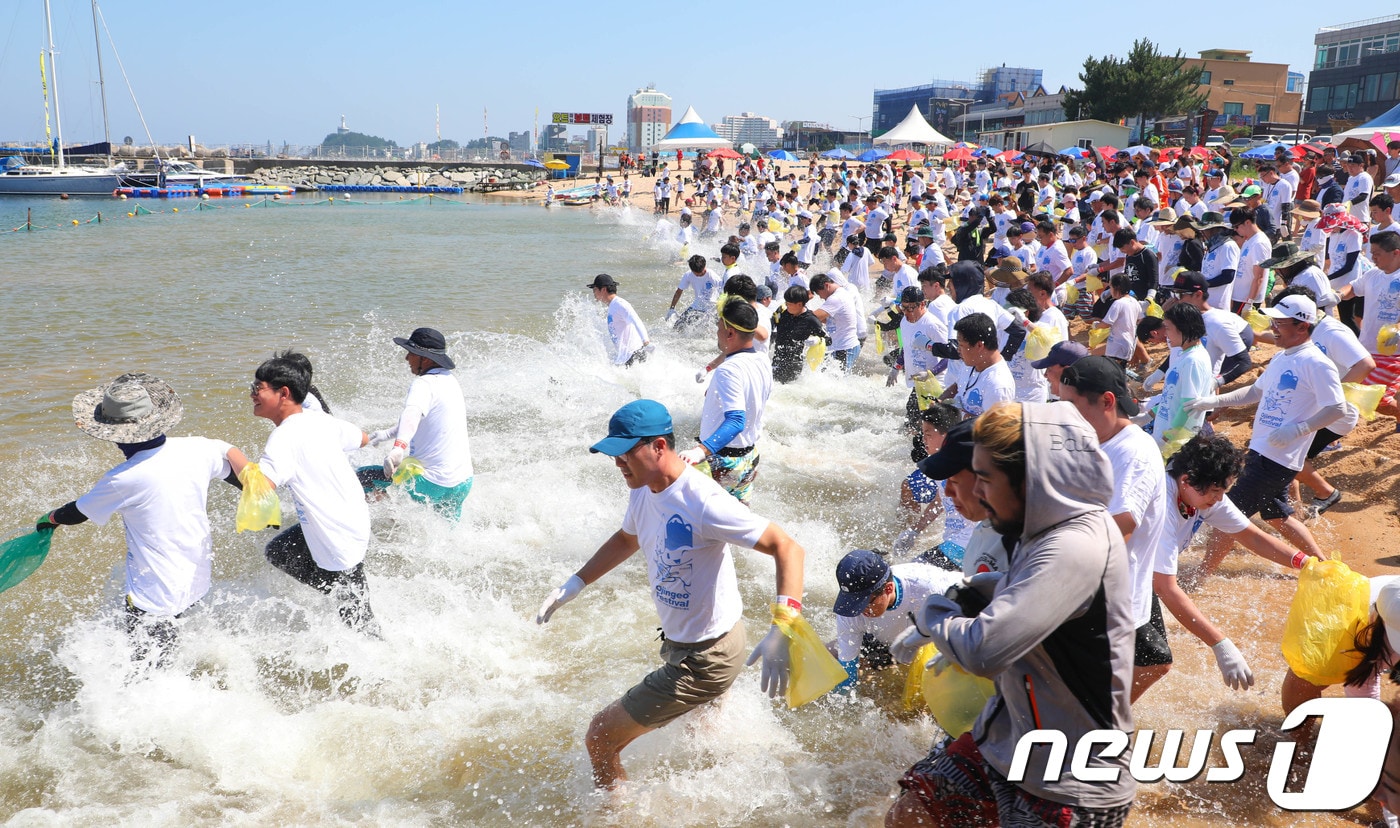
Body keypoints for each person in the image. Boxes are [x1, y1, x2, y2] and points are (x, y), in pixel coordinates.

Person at [885, 402, 1136, 828]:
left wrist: (934, 616)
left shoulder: (1074, 544)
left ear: (1030, 479)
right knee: (911, 813)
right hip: (1004, 741)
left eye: (984, 478)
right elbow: (999, 588)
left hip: (1070, 776)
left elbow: (985, 651)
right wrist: (962, 599)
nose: (977, 492)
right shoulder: (1034, 530)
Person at [534, 399, 805, 789]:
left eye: (625, 453)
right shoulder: (644, 487)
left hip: (707, 656)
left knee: (600, 737)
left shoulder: (703, 501)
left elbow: (787, 547)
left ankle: (618, 815)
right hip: (690, 640)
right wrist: (574, 584)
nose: (618, 463)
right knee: (702, 737)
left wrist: (784, 626)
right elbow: (628, 538)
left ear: (659, 446)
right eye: (615, 455)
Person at [37, 373, 247, 667]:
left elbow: (77, 512)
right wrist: (259, 495)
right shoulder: (198, 448)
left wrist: (49, 519)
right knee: (171, 647)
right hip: (197, 579)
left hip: (154, 596)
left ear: (111, 433)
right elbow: (230, 463)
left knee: (146, 670)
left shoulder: (123, 479)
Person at [1187, 294, 1341, 576]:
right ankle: (1327, 568)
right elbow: (1255, 392)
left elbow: (1337, 408)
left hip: (1278, 457)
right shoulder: (1283, 356)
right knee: (1277, 514)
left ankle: (1200, 576)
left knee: (1229, 515)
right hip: (1265, 450)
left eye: (1279, 323)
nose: (1273, 328)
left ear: (1302, 326)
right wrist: (1214, 401)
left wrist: (1300, 429)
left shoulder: (1316, 363)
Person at [1058, 357, 1184, 701]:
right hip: (1108, 590)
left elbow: (1119, 530)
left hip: (1103, 597)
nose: (1064, 416)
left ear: (1107, 401)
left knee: (1135, 668)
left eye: (1071, 405)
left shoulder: (1133, 453)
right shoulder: (1088, 438)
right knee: (1152, 662)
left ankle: (1099, 724)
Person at [251, 352, 379, 635]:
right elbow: (363, 438)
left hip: (336, 535)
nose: (252, 395)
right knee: (279, 551)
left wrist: (226, 456)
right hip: (352, 521)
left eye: (257, 389)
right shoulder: (319, 420)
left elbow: (260, 488)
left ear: (283, 393)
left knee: (358, 620)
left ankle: (381, 661)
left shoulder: (284, 437)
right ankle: (347, 598)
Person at [360, 328, 475, 520]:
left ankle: (384, 526)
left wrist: (398, 448)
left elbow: (412, 413)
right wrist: (388, 434)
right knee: (447, 537)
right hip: (462, 483)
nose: (407, 358)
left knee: (361, 479)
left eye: (411, 353)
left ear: (426, 359)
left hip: (432, 484)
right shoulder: (450, 381)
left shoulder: (424, 384)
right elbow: (420, 420)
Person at [680, 298, 773, 503]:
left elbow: (736, 420)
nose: (716, 332)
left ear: (730, 333)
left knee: (697, 524)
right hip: (748, 458)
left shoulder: (728, 370)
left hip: (722, 462)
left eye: (718, 327)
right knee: (736, 523)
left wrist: (700, 451)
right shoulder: (763, 361)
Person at [829, 550, 960, 692]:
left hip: (932, 635)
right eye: (853, 603)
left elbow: (981, 609)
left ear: (888, 588)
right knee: (830, 657)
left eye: (864, 603)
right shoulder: (850, 611)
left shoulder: (931, 588)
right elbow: (847, 672)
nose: (858, 611)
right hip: (887, 639)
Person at [891, 286, 949, 458]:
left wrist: (931, 373)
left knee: (927, 424)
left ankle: (927, 457)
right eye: (903, 307)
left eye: (911, 308)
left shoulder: (932, 324)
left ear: (922, 304)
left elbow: (949, 356)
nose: (907, 312)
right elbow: (906, 348)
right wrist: (896, 367)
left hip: (936, 384)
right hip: (918, 384)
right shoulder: (904, 322)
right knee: (912, 418)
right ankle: (915, 454)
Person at [1148, 302, 1212, 451]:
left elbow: (1188, 407)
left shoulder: (1193, 360)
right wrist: (1148, 415)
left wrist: (1167, 439)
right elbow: (1172, 398)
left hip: (1175, 446)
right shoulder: (1185, 355)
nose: (1165, 334)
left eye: (1168, 328)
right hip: (1167, 438)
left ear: (1183, 328)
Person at [945, 313, 1016, 418]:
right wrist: (940, 401)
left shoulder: (997, 385)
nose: (958, 350)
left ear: (979, 345)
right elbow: (958, 384)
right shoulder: (972, 362)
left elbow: (992, 430)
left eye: (961, 345)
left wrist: (960, 415)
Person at [584, 274, 650, 367]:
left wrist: (646, 342)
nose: (593, 293)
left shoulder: (620, 304)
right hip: (626, 358)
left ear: (603, 289)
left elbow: (636, 320)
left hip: (634, 355)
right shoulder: (613, 305)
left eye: (594, 289)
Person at [769, 285, 826, 384]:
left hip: (794, 365)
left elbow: (827, 339)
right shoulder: (782, 311)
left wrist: (817, 339)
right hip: (777, 360)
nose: (786, 305)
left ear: (799, 304)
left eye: (789, 303)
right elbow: (770, 326)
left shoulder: (811, 319)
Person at [809, 272, 861, 371]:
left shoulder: (836, 298)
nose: (820, 297)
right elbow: (825, 319)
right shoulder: (841, 293)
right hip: (840, 347)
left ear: (827, 286)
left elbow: (814, 317)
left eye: (819, 293)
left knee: (840, 383)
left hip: (845, 348)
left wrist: (800, 313)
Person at [666, 254, 720, 330]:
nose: (698, 275)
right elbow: (679, 291)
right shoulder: (688, 275)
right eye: (696, 273)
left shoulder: (712, 276)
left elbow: (724, 290)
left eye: (701, 273)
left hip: (712, 308)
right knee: (677, 327)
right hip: (696, 306)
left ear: (705, 266)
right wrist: (671, 309)